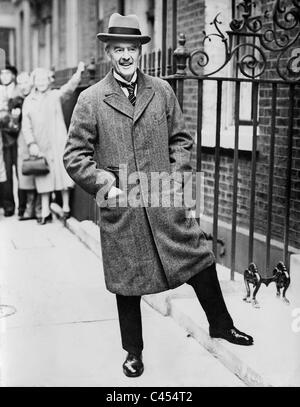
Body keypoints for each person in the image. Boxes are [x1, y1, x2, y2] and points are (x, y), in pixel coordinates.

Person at [64, 13, 253, 378]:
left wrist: (176, 182)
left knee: (198, 256)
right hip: (123, 203)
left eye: (130, 48)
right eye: (118, 49)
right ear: (108, 52)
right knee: (127, 281)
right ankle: (133, 352)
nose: (125, 55)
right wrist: (106, 185)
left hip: (164, 200)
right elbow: (74, 156)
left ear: (140, 52)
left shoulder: (162, 90)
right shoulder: (91, 99)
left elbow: (181, 141)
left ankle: (221, 324)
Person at [22, 62, 85, 225]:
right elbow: (26, 126)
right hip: (40, 145)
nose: (41, 82)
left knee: (62, 176)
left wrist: (78, 72)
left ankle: (65, 208)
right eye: (38, 79)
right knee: (43, 177)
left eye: (44, 79)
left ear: (48, 80)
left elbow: (70, 88)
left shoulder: (55, 95)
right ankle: (44, 211)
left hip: (58, 142)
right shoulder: (28, 101)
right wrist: (31, 144)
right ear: (33, 81)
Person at [16, 71, 42, 221]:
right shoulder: (17, 100)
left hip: (37, 138)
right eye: (20, 83)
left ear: (31, 83)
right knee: (27, 174)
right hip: (22, 141)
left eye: (25, 82)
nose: (23, 86)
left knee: (40, 172)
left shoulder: (37, 97)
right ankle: (29, 207)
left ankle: (38, 208)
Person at [0, 64, 23, 217]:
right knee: (6, 172)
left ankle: (23, 206)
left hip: (20, 135)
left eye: (7, 73)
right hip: (3, 137)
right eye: (2, 74)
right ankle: (8, 206)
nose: (5, 76)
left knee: (22, 172)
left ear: (13, 75)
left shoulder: (20, 89)